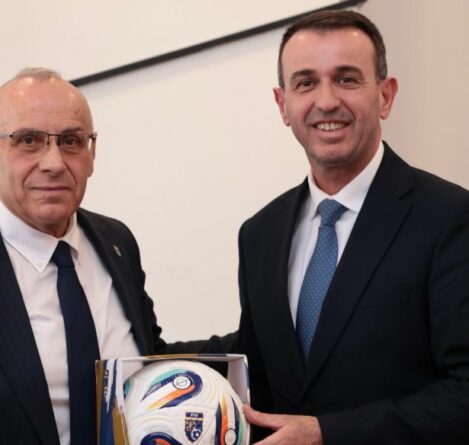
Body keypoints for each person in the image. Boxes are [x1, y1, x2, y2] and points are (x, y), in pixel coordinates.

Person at [237, 10, 469, 445]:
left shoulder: (450, 217)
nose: (326, 101)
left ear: (385, 95)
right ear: (283, 104)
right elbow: (259, 378)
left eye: (346, 79)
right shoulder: (259, 235)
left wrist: (326, 433)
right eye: (306, 82)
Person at [0, 68, 232, 445]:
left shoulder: (115, 241)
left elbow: (146, 356)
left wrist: (259, 338)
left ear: (92, 154)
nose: (54, 163)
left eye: (71, 141)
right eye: (28, 140)